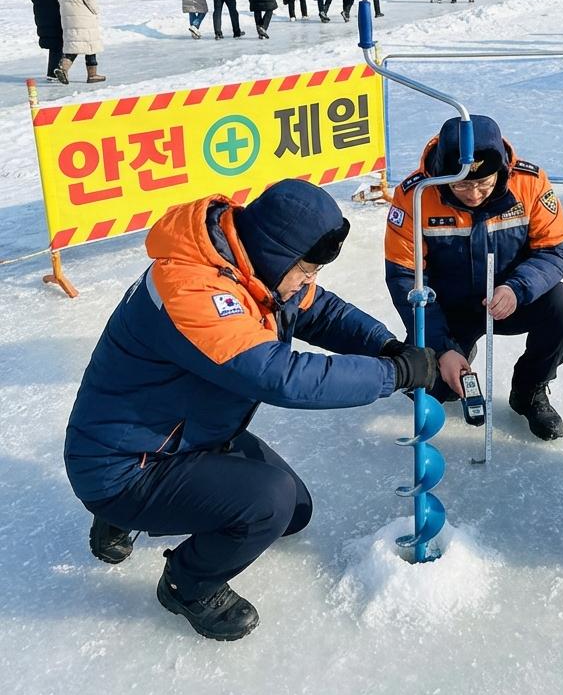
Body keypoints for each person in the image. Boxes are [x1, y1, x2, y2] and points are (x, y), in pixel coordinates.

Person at [64, 180, 437, 641]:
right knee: (269, 504)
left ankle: (143, 513)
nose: (308, 283)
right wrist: (393, 374)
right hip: (123, 465)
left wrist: (386, 347)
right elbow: (280, 376)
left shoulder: (248, 264)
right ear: (277, 253)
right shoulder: (190, 289)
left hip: (186, 434)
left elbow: (320, 312)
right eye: (304, 271)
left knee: (294, 512)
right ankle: (186, 583)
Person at [385, 115, 563, 441]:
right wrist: (442, 345)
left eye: (484, 183)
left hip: (509, 300)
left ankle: (530, 390)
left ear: (502, 170)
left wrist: (518, 288)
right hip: (448, 307)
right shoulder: (415, 194)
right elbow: (406, 277)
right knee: (434, 387)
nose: (473, 193)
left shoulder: (529, 183)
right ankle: (455, 351)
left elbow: (555, 251)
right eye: (460, 184)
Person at [54, 0, 105, 84]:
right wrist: (95, 10)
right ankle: (92, 74)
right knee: (90, 44)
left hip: (67, 14)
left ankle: (63, 68)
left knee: (75, 43)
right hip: (84, 14)